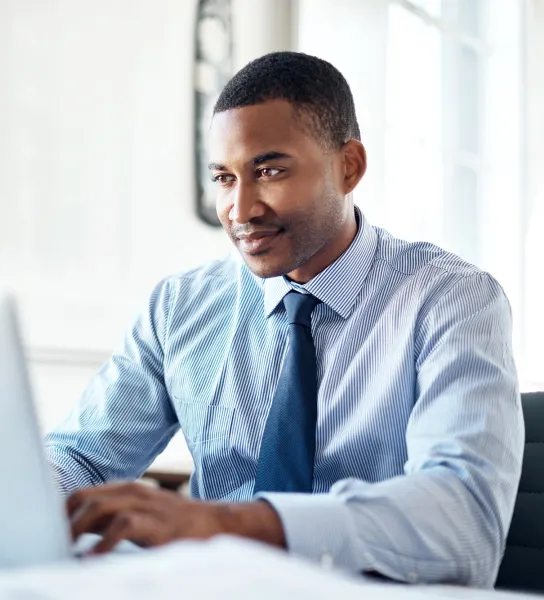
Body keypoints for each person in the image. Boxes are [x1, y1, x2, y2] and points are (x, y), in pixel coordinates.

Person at [44, 51, 523, 587]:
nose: (240, 209)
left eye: (269, 171)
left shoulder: (451, 299)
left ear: (349, 167)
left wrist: (226, 524)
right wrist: (18, 496)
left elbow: (464, 518)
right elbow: (81, 457)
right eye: (224, 178)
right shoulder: (181, 307)